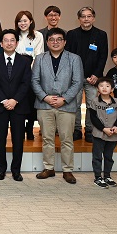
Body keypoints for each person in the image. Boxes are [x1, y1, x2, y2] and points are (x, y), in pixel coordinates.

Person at [32, 28, 84, 184]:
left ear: (65, 42)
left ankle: (67, 170)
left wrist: (64, 99)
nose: (55, 42)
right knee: (47, 138)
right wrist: (45, 97)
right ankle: (49, 168)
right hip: (44, 104)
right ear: (47, 42)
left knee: (66, 139)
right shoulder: (40, 58)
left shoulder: (74, 59)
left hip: (66, 105)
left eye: (59, 39)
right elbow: (34, 81)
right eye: (52, 39)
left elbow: (77, 82)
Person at [0, 29, 32, 181]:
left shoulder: (25, 61)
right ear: (1, 43)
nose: (9, 43)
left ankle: (16, 170)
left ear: (17, 43)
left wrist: (15, 100)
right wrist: (4, 100)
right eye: (5, 40)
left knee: (18, 139)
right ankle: (1, 170)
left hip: (18, 106)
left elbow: (26, 83)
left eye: (12, 40)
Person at [66, 6, 109, 143]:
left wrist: (97, 74)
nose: (86, 19)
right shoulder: (72, 34)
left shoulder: (101, 35)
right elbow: (68, 56)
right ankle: (77, 129)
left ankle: (90, 129)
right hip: (75, 77)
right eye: (83, 16)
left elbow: (103, 56)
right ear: (79, 19)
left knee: (92, 104)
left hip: (93, 78)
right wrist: (73, 74)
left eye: (89, 16)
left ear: (93, 18)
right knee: (75, 104)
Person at [88, 77, 117, 188]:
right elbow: (93, 118)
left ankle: (107, 176)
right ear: (97, 89)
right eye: (101, 86)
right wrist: (103, 128)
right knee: (97, 156)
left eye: (107, 86)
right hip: (99, 133)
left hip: (113, 134)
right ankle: (98, 177)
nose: (104, 88)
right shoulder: (94, 102)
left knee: (109, 156)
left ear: (112, 89)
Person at [15, 11, 43, 141]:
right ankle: (19, 128)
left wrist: (29, 71)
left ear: (31, 21)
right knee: (18, 100)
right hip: (15, 72)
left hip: (32, 71)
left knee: (31, 101)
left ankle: (30, 127)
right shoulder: (14, 35)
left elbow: (38, 55)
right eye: (20, 21)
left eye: (25, 20)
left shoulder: (38, 35)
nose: (23, 23)